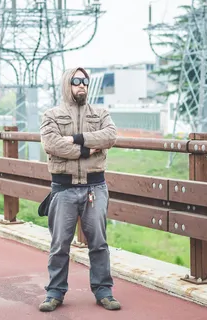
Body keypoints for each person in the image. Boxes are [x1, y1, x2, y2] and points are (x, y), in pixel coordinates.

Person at [38, 67, 121, 312]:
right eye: (76, 81)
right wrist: (88, 150)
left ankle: (104, 291)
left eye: (85, 82)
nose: (82, 85)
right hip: (63, 189)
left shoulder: (101, 112)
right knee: (59, 244)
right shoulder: (51, 115)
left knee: (99, 243)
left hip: (95, 187)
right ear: (67, 84)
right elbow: (51, 144)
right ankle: (54, 292)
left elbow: (110, 136)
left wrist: (75, 139)